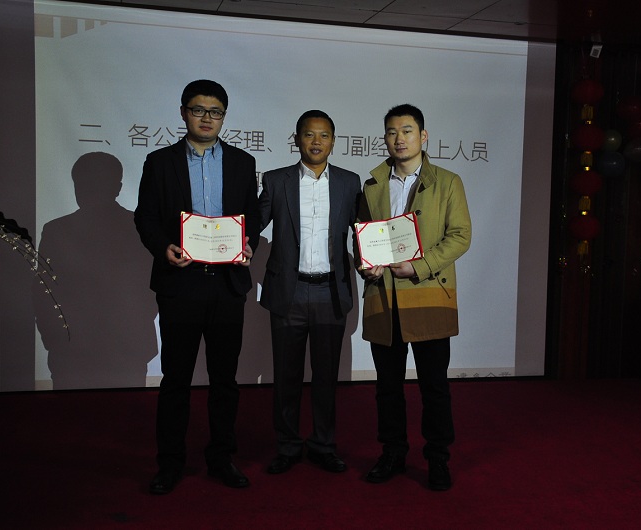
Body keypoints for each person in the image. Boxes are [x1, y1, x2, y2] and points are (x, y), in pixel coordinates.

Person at [134, 79, 260, 495]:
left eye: (215, 112)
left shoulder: (242, 162)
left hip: (227, 284)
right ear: (183, 112)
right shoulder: (160, 162)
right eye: (198, 110)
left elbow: (252, 217)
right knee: (176, 380)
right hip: (180, 284)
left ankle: (221, 458)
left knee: (225, 380)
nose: (207, 118)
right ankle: (170, 463)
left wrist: (249, 244)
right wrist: (163, 247)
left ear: (224, 116)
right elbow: (145, 217)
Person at [357, 104, 471, 491]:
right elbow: (360, 237)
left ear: (423, 136)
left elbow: (460, 236)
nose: (399, 138)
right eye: (392, 132)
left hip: (428, 294)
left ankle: (438, 458)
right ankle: (392, 452)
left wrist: (419, 266)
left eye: (407, 131)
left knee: (434, 387)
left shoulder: (448, 182)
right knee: (387, 387)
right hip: (384, 298)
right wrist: (365, 265)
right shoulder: (372, 184)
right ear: (385, 138)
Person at [258, 110, 361, 474]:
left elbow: (364, 230)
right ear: (297, 139)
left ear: (333, 141)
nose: (316, 142)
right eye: (309, 134)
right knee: (285, 376)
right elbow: (253, 225)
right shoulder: (277, 180)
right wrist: (221, 242)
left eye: (324, 135)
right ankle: (287, 446)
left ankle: (323, 444)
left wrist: (375, 259)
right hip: (290, 291)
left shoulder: (349, 182)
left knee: (326, 377)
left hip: (330, 292)